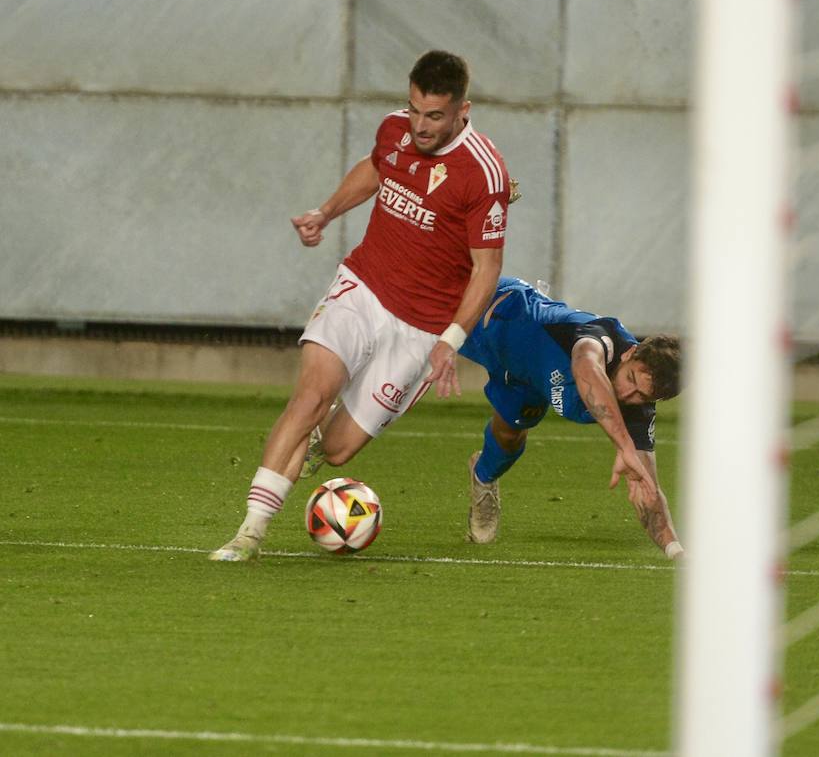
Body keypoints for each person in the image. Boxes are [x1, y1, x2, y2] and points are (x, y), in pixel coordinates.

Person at [210, 49, 513, 562]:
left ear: (464, 110)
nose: (419, 125)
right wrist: (325, 211)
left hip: (421, 328)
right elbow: (378, 170)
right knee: (307, 399)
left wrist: (451, 340)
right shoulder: (394, 129)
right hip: (364, 287)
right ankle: (249, 533)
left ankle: (310, 443)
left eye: (433, 115)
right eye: (414, 109)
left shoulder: (484, 175)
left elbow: (487, 269)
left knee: (337, 449)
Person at [312, 276, 685, 559]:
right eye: (631, 380)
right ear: (629, 354)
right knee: (399, 369)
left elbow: (650, 487)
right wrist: (622, 445)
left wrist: (674, 549)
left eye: (642, 396)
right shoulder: (600, 338)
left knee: (508, 437)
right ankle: (321, 425)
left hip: (525, 380)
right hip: (490, 317)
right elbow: (586, 369)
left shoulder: (636, 411)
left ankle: (483, 478)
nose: (628, 395)